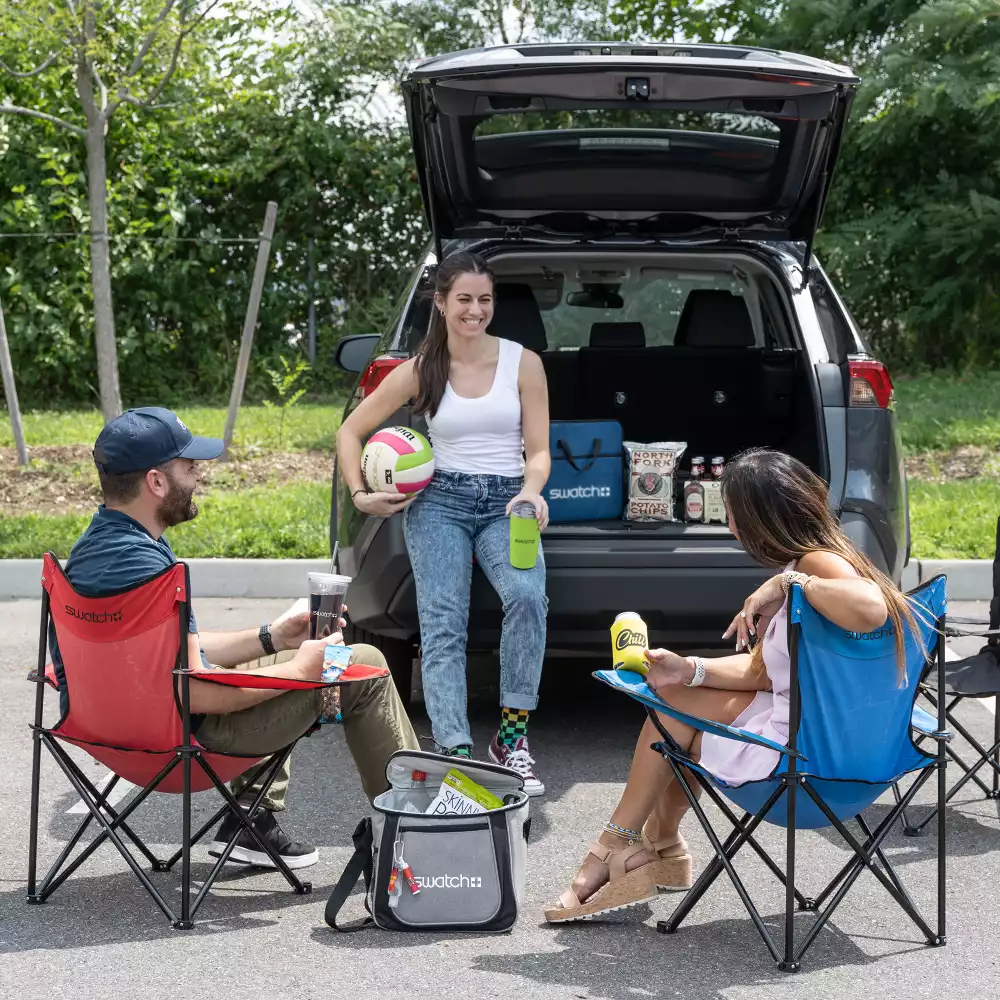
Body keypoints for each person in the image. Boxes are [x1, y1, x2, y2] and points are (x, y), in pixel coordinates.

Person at [544, 448, 924, 922]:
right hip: (860, 761)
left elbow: (873, 608)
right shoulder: (826, 561)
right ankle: (657, 847)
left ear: (759, 518)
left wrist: (788, 585)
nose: (730, 527)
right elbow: (763, 675)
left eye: (732, 513)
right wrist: (688, 668)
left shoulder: (818, 566)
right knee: (676, 699)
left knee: (672, 720)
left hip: (809, 768)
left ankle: (619, 848)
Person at [50, 406, 418, 871]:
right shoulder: (152, 572)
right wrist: (300, 669)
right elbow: (195, 688)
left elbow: (176, 655)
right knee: (362, 662)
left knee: (263, 663)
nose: (199, 475)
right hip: (177, 743)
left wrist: (272, 638)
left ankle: (251, 821)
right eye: (189, 466)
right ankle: (417, 827)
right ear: (156, 482)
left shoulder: (90, 554)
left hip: (108, 735)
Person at [337, 252, 550, 795]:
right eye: (464, 300)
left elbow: (540, 451)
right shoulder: (421, 368)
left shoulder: (522, 363)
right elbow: (350, 432)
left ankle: (511, 739)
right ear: (441, 302)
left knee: (526, 597)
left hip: (508, 503)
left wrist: (531, 492)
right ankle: (454, 748)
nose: (475, 310)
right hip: (439, 502)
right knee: (442, 622)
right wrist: (361, 495)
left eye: (484, 300)